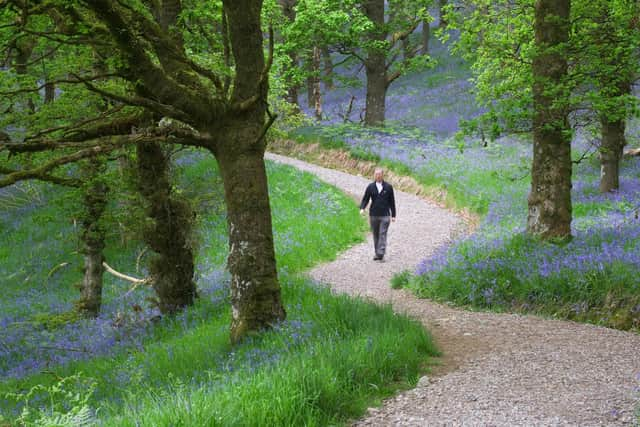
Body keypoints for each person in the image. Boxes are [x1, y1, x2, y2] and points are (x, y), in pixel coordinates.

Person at [359, 168, 396, 261]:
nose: (378, 176)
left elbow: (392, 202)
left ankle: (381, 253)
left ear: (383, 175)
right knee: (376, 234)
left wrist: (393, 215)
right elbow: (365, 199)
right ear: (374, 175)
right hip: (374, 215)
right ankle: (377, 253)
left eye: (379, 174)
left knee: (382, 233)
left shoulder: (388, 187)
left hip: (385, 215)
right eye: (376, 174)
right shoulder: (370, 187)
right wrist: (362, 208)